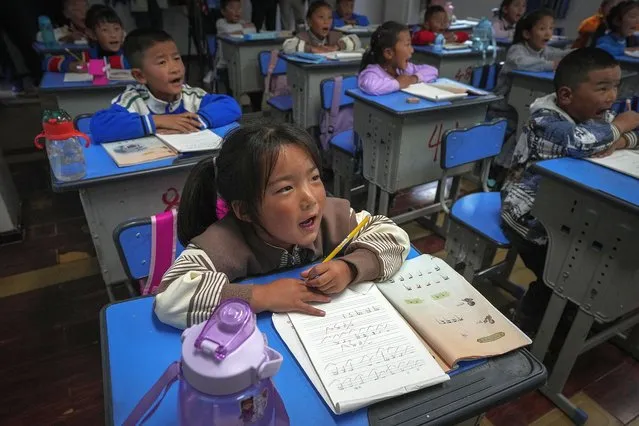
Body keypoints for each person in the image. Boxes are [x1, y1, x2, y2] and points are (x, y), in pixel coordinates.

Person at [154, 121, 411, 329]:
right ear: (244, 210)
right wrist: (261, 296)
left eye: (314, 178)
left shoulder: (332, 216)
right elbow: (170, 298)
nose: (310, 198)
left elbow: (393, 236)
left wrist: (349, 269)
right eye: (286, 188)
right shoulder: (223, 241)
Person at [501, 47, 639, 335]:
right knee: (560, 276)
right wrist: (618, 128)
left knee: (592, 263)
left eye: (616, 86)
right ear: (566, 95)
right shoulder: (545, 119)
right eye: (603, 88)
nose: (612, 96)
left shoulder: (596, 114)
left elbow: (625, 137)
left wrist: (618, 139)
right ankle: (527, 329)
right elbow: (579, 142)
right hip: (527, 216)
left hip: (571, 211)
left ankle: (571, 316)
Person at [90, 28, 241, 144]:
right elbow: (99, 126)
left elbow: (230, 105)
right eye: (162, 62)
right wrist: (159, 121)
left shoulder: (190, 95)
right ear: (140, 76)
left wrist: (198, 120)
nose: (175, 68)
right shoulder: (133, 100)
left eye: (176, 58)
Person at [488, 9, 570, 170]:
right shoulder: (517, 50)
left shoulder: (544, 51)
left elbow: (560, 53)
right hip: (503, 105)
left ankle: (512, 165)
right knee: (526, 126)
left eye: (551, 28)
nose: (548, 33)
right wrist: (551, 65)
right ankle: (500, 167)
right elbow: (520, 63)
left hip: (525, 101)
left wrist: (579, 54)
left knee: (536, 124)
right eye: (542, 29)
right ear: (526, 33)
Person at [358, 21, 438, 95]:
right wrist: (398, 83)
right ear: (389, 53)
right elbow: (370, 87)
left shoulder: (403, 70)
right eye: (407, 45)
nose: (412, 50)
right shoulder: (372, 73)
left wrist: (413, 78)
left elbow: (432, 70)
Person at [44, 5, 128, 73]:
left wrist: (97, 65)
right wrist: (70, 66)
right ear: (91, 34)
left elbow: (130, 62)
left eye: (116, 29)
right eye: (105, 30)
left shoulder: (129, 52)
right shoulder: (88, 56)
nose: (113, 35)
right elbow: (46, 62)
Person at [282, 1, 361, 54]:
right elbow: (287, 46)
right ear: (309, 21)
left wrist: (336, 47)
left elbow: (356, 40)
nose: (326, 21)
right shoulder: (303, 36)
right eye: (321, 17)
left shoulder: (335, 36)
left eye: (330, 17)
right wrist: (313, 49)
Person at [215, 0, 256, 92]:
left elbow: (253, 30)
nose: (237, 12)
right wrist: (245, 30)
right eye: (232, 8)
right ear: (223, 11)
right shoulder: (221, 23)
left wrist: (243, 30)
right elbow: (229, 34)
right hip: (225, 66)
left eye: (239, 8)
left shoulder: (242, 22)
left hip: (242, 64)